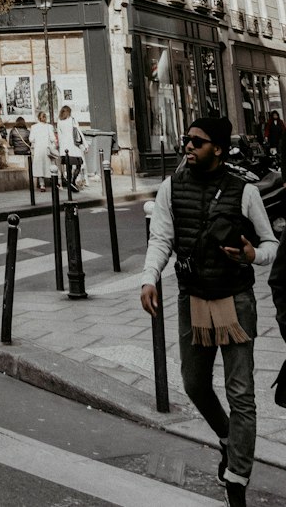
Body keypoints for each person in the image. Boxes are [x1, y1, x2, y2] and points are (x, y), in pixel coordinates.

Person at [141, 114, 275, 506]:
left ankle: (237, 479)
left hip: (236, 299)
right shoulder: (171, 187)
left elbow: (271, 243)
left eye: (196, 142)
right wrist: (149, 277)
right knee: (195, 383)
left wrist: (253, 254)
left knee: (241, 393)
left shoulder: (244, 191)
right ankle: (227, 438)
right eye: (186, 140)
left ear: (217, 148)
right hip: (193, 298)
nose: (188, 147)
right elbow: (161, 237)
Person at [56, 104, 84, 191]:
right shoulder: (72, 120)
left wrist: (61, 149)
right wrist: (84, 144)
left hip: (64, 147)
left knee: (69, 166)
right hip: (73, 146)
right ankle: (73, 181)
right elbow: (78, 132)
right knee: (79, 164)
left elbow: (59, 136)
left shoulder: (59, 121)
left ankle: (70, 182)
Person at [29, 109, 56, 191]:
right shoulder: (49, 127)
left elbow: (31, 139)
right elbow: (53, 138)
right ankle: (54, 183)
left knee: (40, 166)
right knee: (50, 166)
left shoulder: (34, 127)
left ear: (38, 118)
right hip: (47, 149)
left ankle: (42, 185)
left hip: (38, 149)